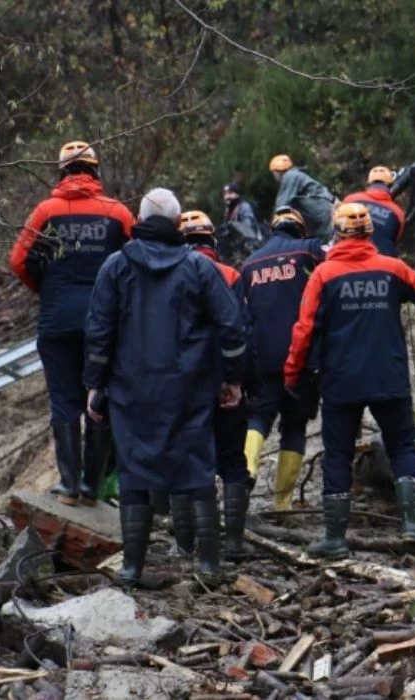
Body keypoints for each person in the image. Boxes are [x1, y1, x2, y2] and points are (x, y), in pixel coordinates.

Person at [84, 188, 246, 586]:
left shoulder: (115, 267)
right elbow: (231, 325)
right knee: (196, 468)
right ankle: (209, 565)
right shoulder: (199, 268)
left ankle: (131, 568)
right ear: (178, 225)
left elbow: (99, 331)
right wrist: (233, 377)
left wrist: (95, 384)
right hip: (190, 388)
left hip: (130, 391)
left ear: (139, 220)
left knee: (134, 472)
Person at [284, 203, 415, 558]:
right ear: (370, 232)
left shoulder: (323, 276)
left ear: (337, 233)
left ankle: (335, 538)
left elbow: (304, 330)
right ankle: (412, 526)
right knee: (402, 446)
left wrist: (292, 373)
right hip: (389, 375)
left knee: (338, 455)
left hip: (342, 380)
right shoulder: (392, 269)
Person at [9, 141, 134, 507]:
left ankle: (68, 486)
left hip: (57, 318)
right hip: (105, 323)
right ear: (95, 171)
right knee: (100, 399)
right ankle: (92, 487)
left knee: (64, 400)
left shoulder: (45, 211)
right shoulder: (118, 212)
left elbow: (18, 261)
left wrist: (47, 290)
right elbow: (138, 261)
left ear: (63, 172)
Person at [179, 210, 254, 562]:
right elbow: (241, 329)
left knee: (189, 461)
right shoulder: (231, 274)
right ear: (212, 240)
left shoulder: (172, 276)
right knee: (233, 461)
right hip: (226, 383)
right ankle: (234, 543)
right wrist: (237, 379)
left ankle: (189, 544)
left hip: (185, 384)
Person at [240, 207, 326, 509]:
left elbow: (243, 315)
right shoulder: (310, 251)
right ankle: (283, 503)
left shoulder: (249, 264)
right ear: (300, 230)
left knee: (257, 417)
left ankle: (246, 472)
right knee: (294, 426)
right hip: (302, 357)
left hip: (262, 357)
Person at [270, 154, 336, 241]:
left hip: (325, 215)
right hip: (324, 215)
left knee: (328, 245)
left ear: (276, 172)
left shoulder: (290, 176)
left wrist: (273, 226)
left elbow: (281, 205)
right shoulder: (296, 175)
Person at [342, 166, 405, 256]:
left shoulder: (351, 200)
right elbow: (395, 240)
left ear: (368, 183)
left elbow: (336, 228)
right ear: (390, 185)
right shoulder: (398, 213)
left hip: (347, 256)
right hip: (381, 264)